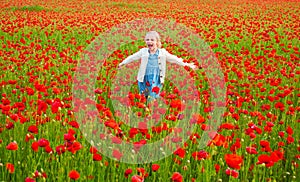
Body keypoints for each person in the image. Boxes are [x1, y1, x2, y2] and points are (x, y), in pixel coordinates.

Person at [118, 31, 197, 101]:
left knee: (152, 96)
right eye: (147, 40)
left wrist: (187, 64)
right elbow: (132, 57)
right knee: (144, 96)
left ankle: (151, 111)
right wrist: (123, 63)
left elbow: (174, 59)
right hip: (144, 77)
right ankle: (145, 110)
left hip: (156, 78)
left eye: (152, 40)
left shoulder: (162, 52)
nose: (149, 41)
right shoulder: (143, 51)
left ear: (157, 42)